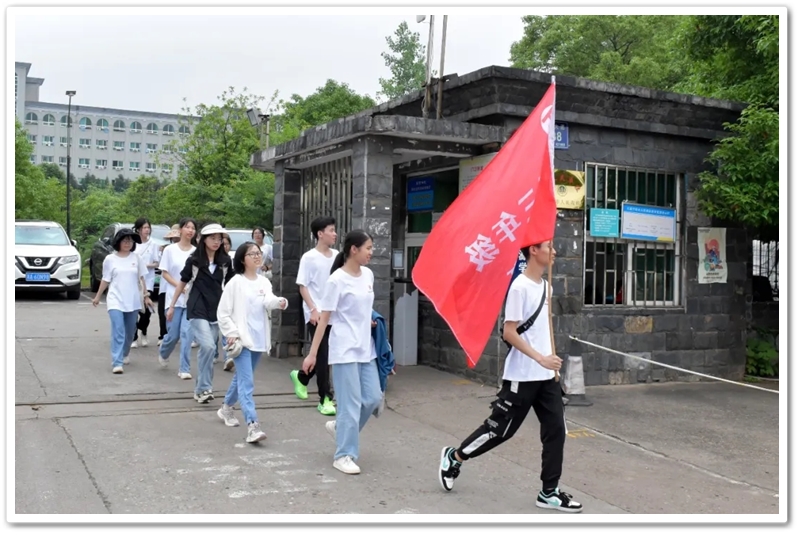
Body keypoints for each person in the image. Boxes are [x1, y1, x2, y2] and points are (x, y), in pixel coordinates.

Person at [437, 241, 582, 514]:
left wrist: (550, 363)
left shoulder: (547, 287)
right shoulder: (519, 287)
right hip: (521, 376)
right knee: (500, 430)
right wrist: (540, 357)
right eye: (549, 247)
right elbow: (509, 332)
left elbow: (541, 331)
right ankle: (455, 456)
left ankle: (549, 492)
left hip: (547, 377)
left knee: (556, 432)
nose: (554, 251)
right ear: (533, 251)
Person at [302, 230, 382, 475]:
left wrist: (369, 321)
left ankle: (340, 428)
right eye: (368, 248)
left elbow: (363, 307)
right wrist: (313, 354)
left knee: (373, 398)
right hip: (344, 349)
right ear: (354, 249)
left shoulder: (368, 275)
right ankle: (344, 455)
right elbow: (324, 319)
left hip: (365, 348)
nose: (371, 252)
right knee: (350, 405)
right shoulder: (336, 280)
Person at [217, 241, 288, 442]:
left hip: (258, 339)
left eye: (258, 253)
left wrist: (280, 302)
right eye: (252, 254)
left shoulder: (263, 282)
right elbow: (223, 313)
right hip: (242, 340)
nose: (257, 256)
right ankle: (253, 426)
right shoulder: (235, 283)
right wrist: (232, 332)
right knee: (247, 383)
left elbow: (268, 300)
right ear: (242, 259)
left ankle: (226, 407)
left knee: (241, 378)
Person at [167, 223, 234, 403]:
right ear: (203, 240)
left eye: (219, 239)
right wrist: (172, 305)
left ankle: (201, 390)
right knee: (209, 346)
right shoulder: (194, 260)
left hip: (216, 309)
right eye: (213, 238)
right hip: (197, 307)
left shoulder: (225, 262)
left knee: (207, 350)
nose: (216, 242)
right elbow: (182, 282)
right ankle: (204, 388)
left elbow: (232, 285)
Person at [289, 216, 338, 416]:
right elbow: (303, 286)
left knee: (325, 355)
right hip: (316, 314)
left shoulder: (337, 256)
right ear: (320, 234)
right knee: (323, 356)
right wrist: (313, 309)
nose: (335, 234)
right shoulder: (309, 257)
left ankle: (302, 377)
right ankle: (325, 398)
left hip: (333, 313)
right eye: (331, 230)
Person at [92, 228, 152, 374]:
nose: (127, 243)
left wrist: (146, 296)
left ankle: (124, 353)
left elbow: (142, 278)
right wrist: (98, 296)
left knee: (130, 332)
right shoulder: (110, 259)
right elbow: (106, 279)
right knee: (118, 329)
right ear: (118, 242)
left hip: (132, 300)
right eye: (125, 240)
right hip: (115, 300)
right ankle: (117, 362)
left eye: (130, 241)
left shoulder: (136, 258)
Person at [158, 218, 197, 379]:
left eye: (193, 228)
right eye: (187, 227)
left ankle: (184, 368)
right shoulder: (170, 250)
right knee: (173, 334)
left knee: (187, 334)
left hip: (190, 300)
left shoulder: (197, 252)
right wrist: (180, 287)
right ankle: (164, 351)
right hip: (172, 299)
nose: (190, 230)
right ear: (180, 230)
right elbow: (165, 273)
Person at [131, 218, 160, 349]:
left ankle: (143, 330)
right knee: (134, 310)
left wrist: (145, 265)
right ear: (138, 229)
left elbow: (157, 263)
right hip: (134, 281)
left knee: (146, 312)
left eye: (148, 227)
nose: (147, 230)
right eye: (144, 228)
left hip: (148, 280)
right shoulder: (133, 244)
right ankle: (134, 337)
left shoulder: (153, 244)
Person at [157, 225, 181, 347]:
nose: (175, 240)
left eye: (177, 237)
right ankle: (163, 335)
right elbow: (163, 270)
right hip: (166, 287)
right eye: (174, 238)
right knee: (164, 312)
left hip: (182, 288)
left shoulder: (190, 250)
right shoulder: (166, 250)